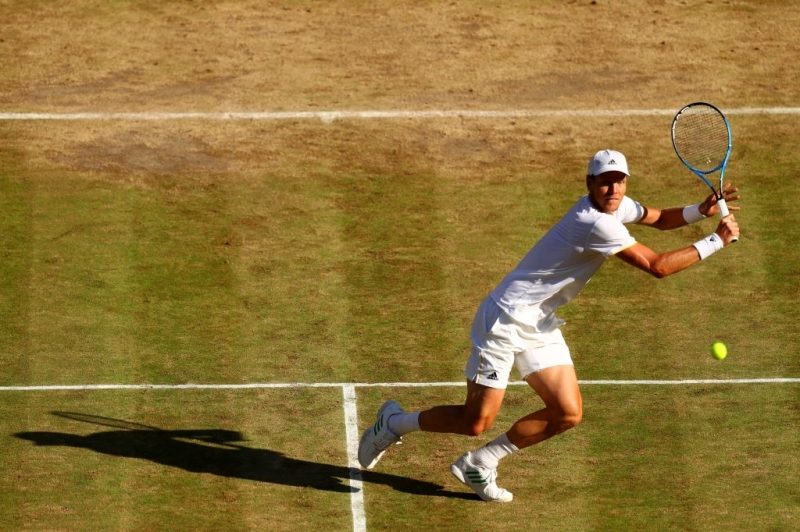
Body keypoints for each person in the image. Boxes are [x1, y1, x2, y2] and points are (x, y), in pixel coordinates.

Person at [358, 149, 740, 502]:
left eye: (620, 181)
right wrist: (716, 241)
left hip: (539, 322)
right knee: (474, 422)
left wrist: (699, 211)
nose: (613, 189)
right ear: (589, 183)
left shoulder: (615, 207)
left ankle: (481, 463)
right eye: (605, 182)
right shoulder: (595, 223)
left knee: (567, 412)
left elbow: (658, 217)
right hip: (504, 321)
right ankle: (394, 422)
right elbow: (657, 266)